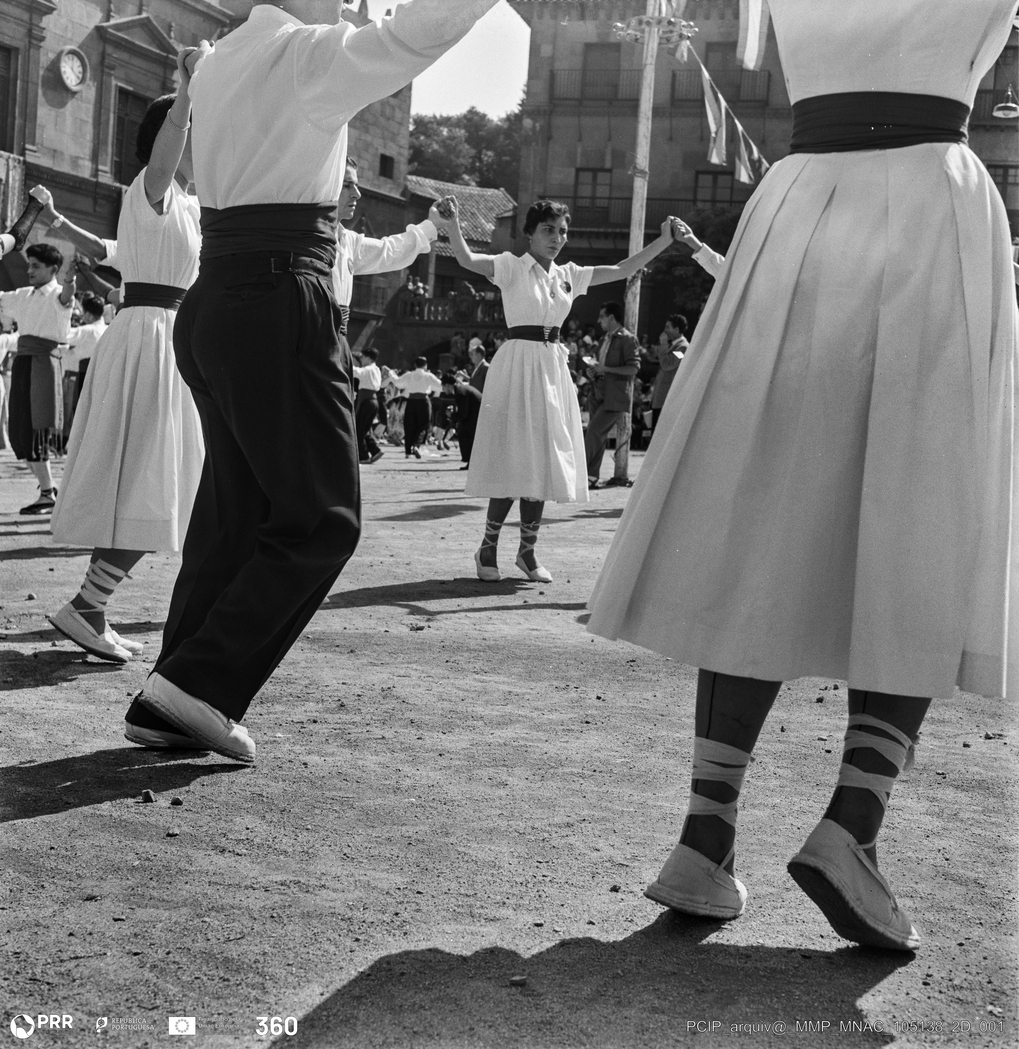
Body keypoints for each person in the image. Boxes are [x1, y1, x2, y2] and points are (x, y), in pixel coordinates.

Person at [587, 0, 1019, 952]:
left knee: (761, 510)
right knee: (922, 507)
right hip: (930, 205)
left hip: (798, 205)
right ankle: (850, 825)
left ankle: (704, 834)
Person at [131, 0, 499, 764]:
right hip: (279, 297)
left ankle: (173, 689)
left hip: (214, 298)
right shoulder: (302, 54)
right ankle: (196, 683)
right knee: (321, 519)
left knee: (233, 517)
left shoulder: (223, 61)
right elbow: (409, 38)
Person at [47, 68, 205, 690]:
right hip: (150, 338)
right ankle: (88, 604)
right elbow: (167, 152)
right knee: (153, 477)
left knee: (154, 476)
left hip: (166, 338)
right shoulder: (151, 187)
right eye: (194, 131)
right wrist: (188, 93)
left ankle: (91, 604)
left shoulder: (190, 205)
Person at [438, 196, 683, 583]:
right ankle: (487, 547)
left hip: (552, 369)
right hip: (518, 365)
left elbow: (623, 268)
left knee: (544, 458)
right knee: (514, 457)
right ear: (530, 234)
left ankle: (527, 553)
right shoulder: (511, 266)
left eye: (563, 231)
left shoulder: (570, 273)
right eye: (548, 230)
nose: (557, 238)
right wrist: (452, 224)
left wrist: (665, 240)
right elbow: (467, 260)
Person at [0, 242, 76, 513]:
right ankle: (48, 489)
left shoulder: (58, 294)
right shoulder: (23, 294)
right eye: (29, 265)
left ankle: (47, 493)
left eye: (36, 266)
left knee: (37, 427)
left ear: (53, 269)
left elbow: (67, 295)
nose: (29, 270)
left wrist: (70, 280)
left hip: (43, 364)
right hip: (23, 362)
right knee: (20, 431)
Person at [584, 302, 639, 489]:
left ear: (612, 317)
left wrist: (605, 369)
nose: (599, 320)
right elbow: (600, 365)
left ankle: (579, 473)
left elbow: (633, 368)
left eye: (602, 316)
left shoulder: (628, 339)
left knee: (593, 432)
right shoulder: (603, 339)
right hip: (598, 391)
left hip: (615, 395)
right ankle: (591, 476)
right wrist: (593, 372)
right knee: (597, 435)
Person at [61, 293, 106, 428]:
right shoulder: (107, 329)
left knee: (76, 413)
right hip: (100, 375)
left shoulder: (88, 330)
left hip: (80, 374)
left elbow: (63, 336)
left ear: (89, 315)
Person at [396, 356, 442, 457]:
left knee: (409, 425)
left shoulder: (409, 374)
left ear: (415, 365)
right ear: (425, 365)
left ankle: (408, 451)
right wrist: (431, 387)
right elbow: (440, 386)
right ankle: (416, 445)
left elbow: (398, 383)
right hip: (423, 401)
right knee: (423, 425)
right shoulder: (428, 375)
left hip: (411, 400)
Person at [649, 314, 688, 432]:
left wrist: (664, 345)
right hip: (660, 399)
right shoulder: (672, 346)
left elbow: (667, 364)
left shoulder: (683, 348)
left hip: (668, 400)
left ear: (676, 329)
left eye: (668, 327)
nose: (664, 330)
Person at [454, 341, 488, 469]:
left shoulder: (485, 368)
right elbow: (474, 383)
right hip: (474, 404)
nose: (471, 357)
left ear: (479, 355)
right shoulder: (478, 368)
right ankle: (471, 461)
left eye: (473, 354)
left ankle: (474, 462)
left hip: (480, 405)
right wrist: (464, 377)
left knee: (473, 434)